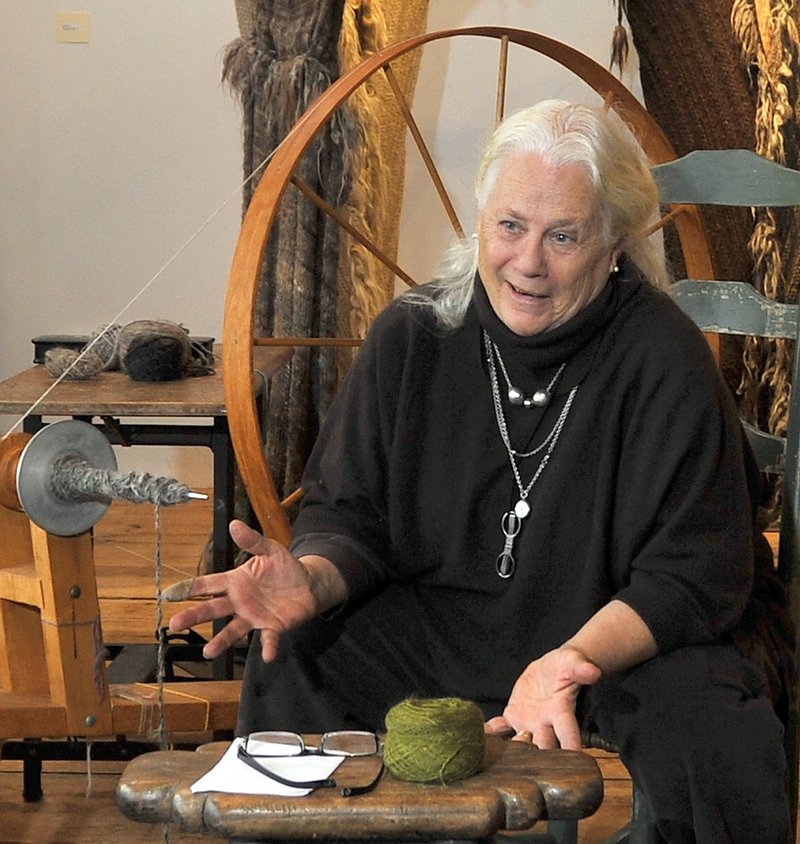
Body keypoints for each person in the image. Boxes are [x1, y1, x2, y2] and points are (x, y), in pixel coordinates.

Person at [169, 99, 794, 843]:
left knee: (703, 713)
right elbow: (351, 516)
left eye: (563, 236)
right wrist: (314, 576)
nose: (528, 262)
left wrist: (569, 661)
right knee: (298, 653)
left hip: (618, 637)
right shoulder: (415, 335)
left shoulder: (664, 356)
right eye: (510, 226)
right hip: (454, 624)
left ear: (616, 243)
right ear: (482, 219)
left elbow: (693, 573)